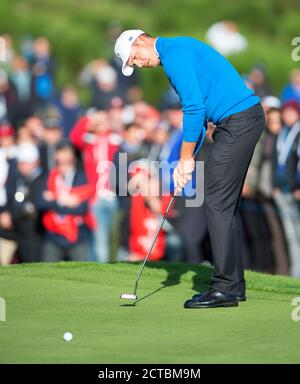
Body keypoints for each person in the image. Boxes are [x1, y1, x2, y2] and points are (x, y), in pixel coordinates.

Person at [114, 30, 265, 308]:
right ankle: (234, 285)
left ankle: (224, 289)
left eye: (134, 58)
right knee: (225, 205)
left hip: (239, 122)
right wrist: (189, 159)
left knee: (216, 203)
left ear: (141, 41)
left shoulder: (174, 54)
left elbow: (193, 108)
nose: (137, 64)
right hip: (236, 122)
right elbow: (201, 108)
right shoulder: (175, 52)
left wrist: (184, 159)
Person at [37, 142, 94, 262]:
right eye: (60, 160)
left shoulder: (81, 178)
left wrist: (53, 200)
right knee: (48, 274)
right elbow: (40, 202)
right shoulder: (49, 176)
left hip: (77, 236)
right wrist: (63, 201)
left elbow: (82, 208)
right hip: (53, 235)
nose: (63, 164)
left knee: (81, 273)